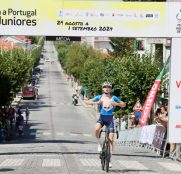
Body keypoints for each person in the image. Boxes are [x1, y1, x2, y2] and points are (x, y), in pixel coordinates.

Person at [86, 81, 126, 168]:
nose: (107, 88)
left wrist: (117, 104)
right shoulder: (99, 97)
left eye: (108, 87)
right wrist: (97, 103)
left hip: (110, 119)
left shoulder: (113, 97)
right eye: (105, 87)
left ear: (111, 89)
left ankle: (110, 160)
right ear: (103, 88)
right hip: (102, 118)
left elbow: (124, 104)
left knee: (111, 139)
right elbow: (88, 102)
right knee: (96, 129)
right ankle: (99, 143)